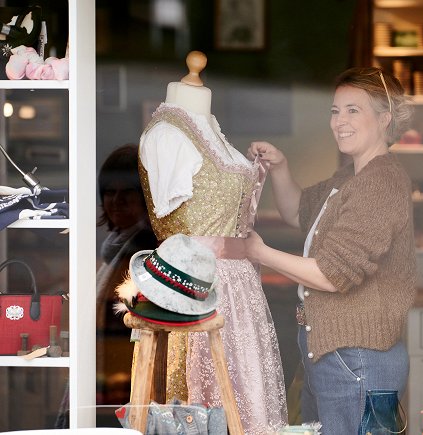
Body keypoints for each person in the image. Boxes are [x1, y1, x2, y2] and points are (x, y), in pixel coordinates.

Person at [246, 66, 417, 434]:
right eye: (335, 111)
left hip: (359, 361)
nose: (339, 121)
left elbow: (330, 274)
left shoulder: (380, 182)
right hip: (337, 356)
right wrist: (280, 167)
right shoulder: (351, 177)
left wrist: (258, 252)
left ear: (384, 118)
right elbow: (297, 211)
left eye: (353, 110)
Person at [137, 52, 287, 434]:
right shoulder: (167, 135)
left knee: (245, 397)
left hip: (237, 285)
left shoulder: (208, 130)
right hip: (193, 283)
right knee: (203, 397)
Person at [96, 143, 157, 406]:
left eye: (127, 192)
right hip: (110, 369)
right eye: (109, 192)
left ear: (145, 197)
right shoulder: (116, 244)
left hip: (126, 375)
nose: (116, 201)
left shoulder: (144, 250)